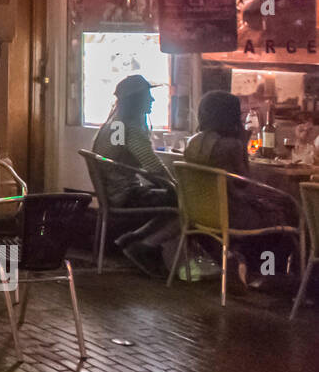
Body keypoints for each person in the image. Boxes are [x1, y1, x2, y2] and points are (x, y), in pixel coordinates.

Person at [183, 90, 299, 288]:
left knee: (278, 207)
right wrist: (242, 140)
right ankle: (269, 275)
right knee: (289, 211)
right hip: (233, 215)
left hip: (201, 214)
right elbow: (244, 183)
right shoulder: (232, 145)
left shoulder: (192, 142)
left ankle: (252, 268)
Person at [91, 73, 178, 276]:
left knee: (173, 196)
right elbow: (153, 166)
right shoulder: (130, 127)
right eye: (148, 95)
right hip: (125, 195)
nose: (152, 100)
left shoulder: (114, 124)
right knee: (183, 200)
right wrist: (174, 185)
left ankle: (135, 240)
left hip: (113, 193)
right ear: (136, 100)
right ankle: (143, 245)